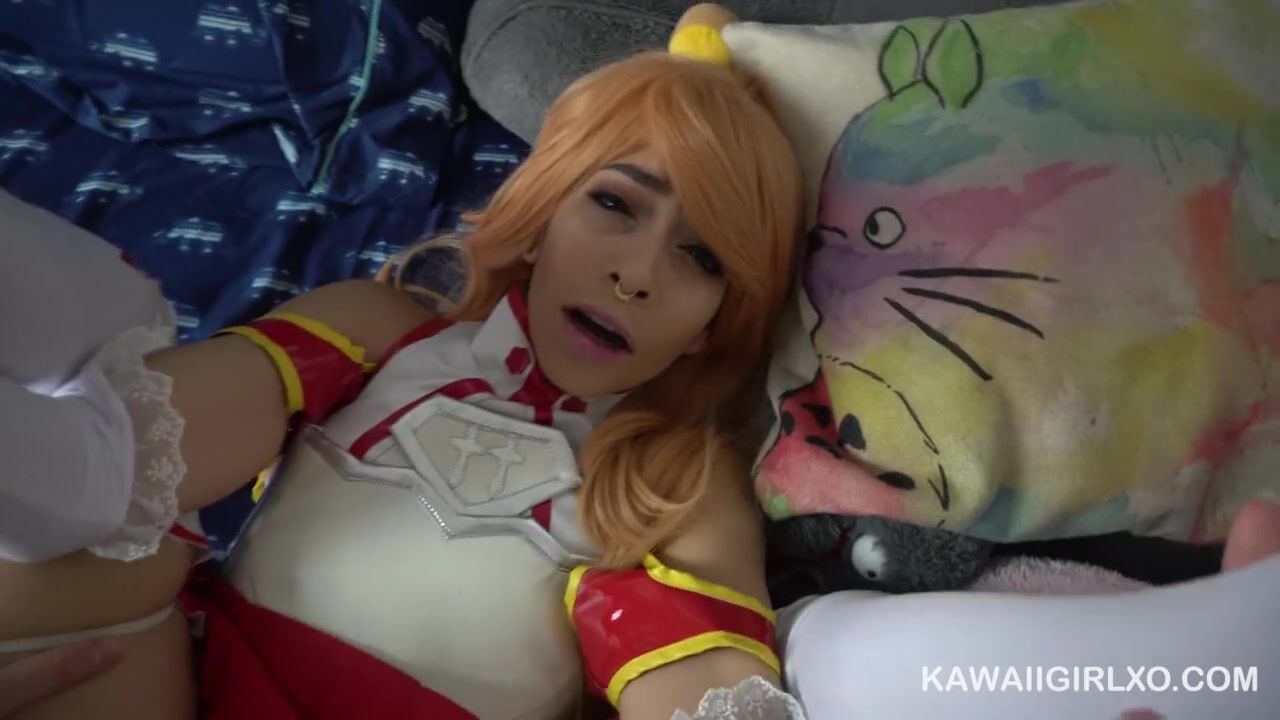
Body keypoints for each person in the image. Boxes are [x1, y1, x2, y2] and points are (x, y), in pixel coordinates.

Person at [0, 5, 808, 718]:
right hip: (195, 684)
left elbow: (702, 689)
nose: (636, 274)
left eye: (702, 258)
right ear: (540, 219)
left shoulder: (681, 480)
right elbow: (134, 463)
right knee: (107, 532)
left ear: (712, 327)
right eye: (613, 203)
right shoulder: (377, 328)